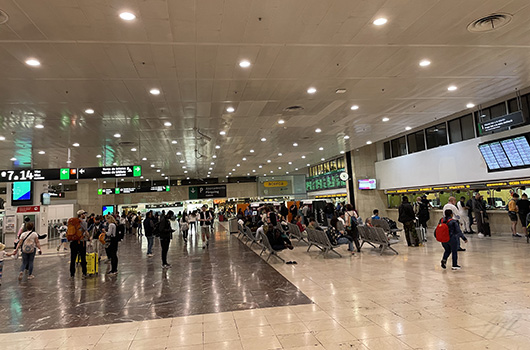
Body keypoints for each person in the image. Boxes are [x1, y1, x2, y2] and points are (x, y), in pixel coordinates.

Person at [70, 210, 91, 278]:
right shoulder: (83, 222)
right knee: (83, 258)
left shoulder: (72, 222)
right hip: (81, 242)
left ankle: (72, 274)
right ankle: (84, 273)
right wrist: (89, 238)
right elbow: (86, 231)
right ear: (81, 215)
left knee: (73, 258)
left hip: (73, 242)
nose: (85, 215)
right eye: (84, 214)